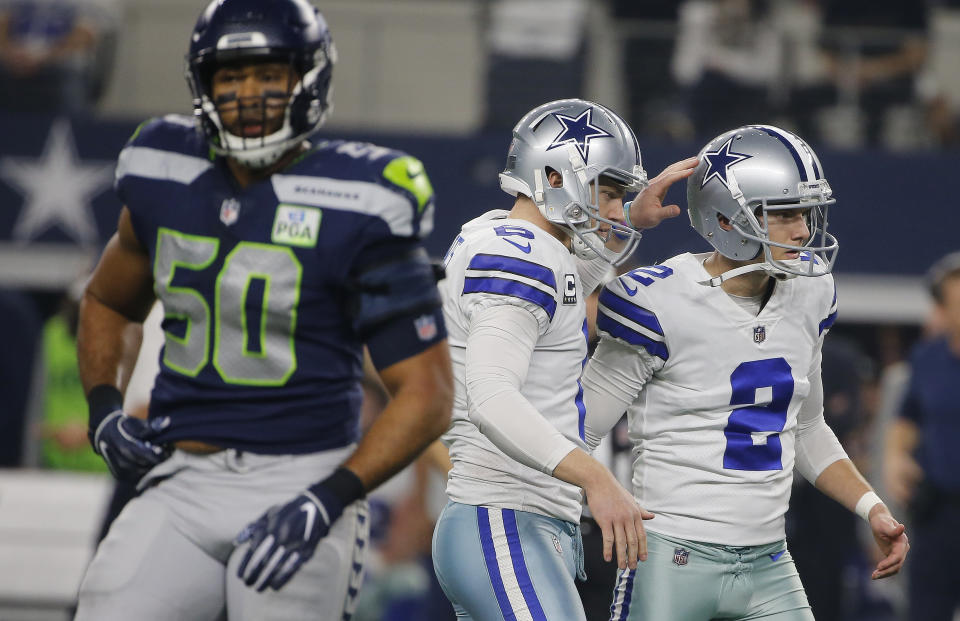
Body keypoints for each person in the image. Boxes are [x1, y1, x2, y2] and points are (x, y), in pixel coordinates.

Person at [72, 0, 453, 619]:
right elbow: (108, 300)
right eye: (230, 76)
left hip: (301, 478)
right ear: (203, 85)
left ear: (307, 80)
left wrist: (329, 496)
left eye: (269, 75)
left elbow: (428, 391)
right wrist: (104, 410)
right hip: (181, 475)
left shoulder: (362, 195)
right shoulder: (161, 167)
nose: (248, 94)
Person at [581, 124, 910, 620]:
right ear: (727, 220)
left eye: (804, 212)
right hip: (671, 556)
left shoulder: (811, 293)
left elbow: (805, 426)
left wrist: (871, 507)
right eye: (783, 214)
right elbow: (575, 429)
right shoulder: (658, 301)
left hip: (769, 560)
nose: (802, 230)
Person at [431, 97, 698, 620]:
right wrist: (597, 480)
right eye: (611, 192)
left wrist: (627, 225)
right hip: (502, 516)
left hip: (513, 521)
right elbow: (492, 396)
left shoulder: (523, 242)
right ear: (554, 176)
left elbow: (568, 291)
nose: (618, 209)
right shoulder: (521, 255)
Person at [885, 251, 960, 621]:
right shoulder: (928, 358)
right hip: (937, 510)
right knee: (926, 610)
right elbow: (907, 418)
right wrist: (896, 459)